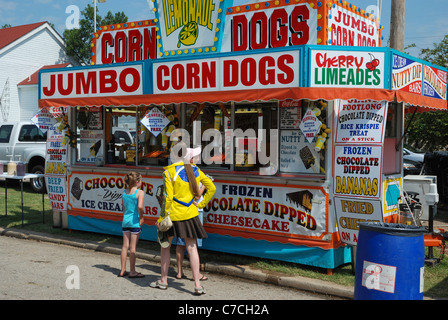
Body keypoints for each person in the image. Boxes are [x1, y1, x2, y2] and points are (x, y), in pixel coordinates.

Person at [151, 146, 216, 295]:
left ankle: (163, 280)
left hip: (173, 215)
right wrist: (201, 203)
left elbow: (167, 198)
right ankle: (197, 285)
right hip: (191, 214)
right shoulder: (196, 170)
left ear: (173, 155)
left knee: (166, 247)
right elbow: (211, 188)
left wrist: (161, 218)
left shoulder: (169, 171)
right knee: (192, 249)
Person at [118, 171, 145, 278]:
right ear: (137, 182)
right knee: (133, 248)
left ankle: (122, 270)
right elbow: (140, 207)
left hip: (125, 221)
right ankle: (132, 271)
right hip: (135, 222)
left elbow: (124, 209)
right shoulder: (140, 192)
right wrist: (142, 218)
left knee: (125, 246)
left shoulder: (124, 192)